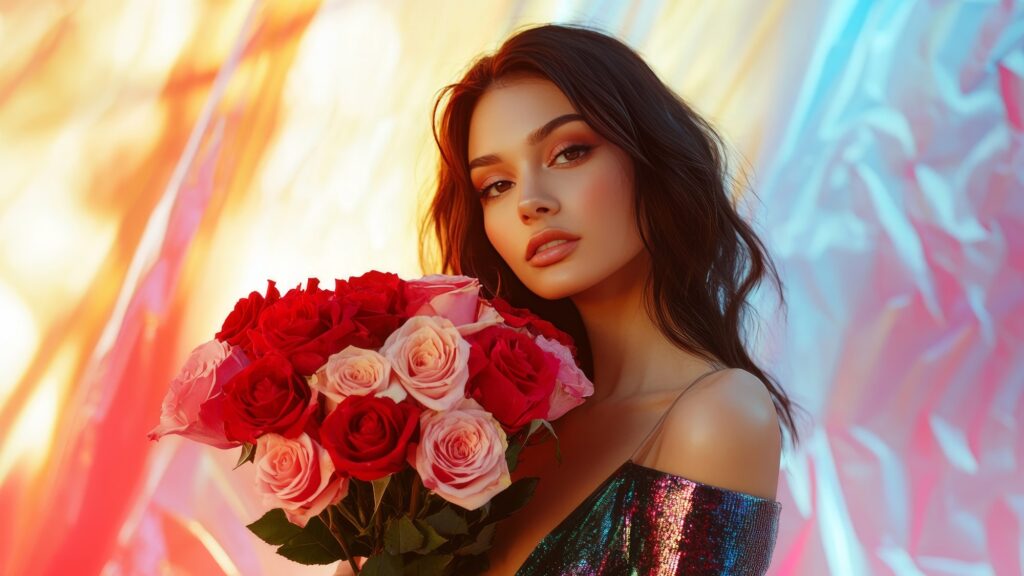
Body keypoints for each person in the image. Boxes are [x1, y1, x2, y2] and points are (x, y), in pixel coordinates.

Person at [418, 23, 805, 575]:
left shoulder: (717, 417)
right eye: (496, 186)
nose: (530, 202)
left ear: (650, 158)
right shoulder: (486, 433)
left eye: (569, 152)